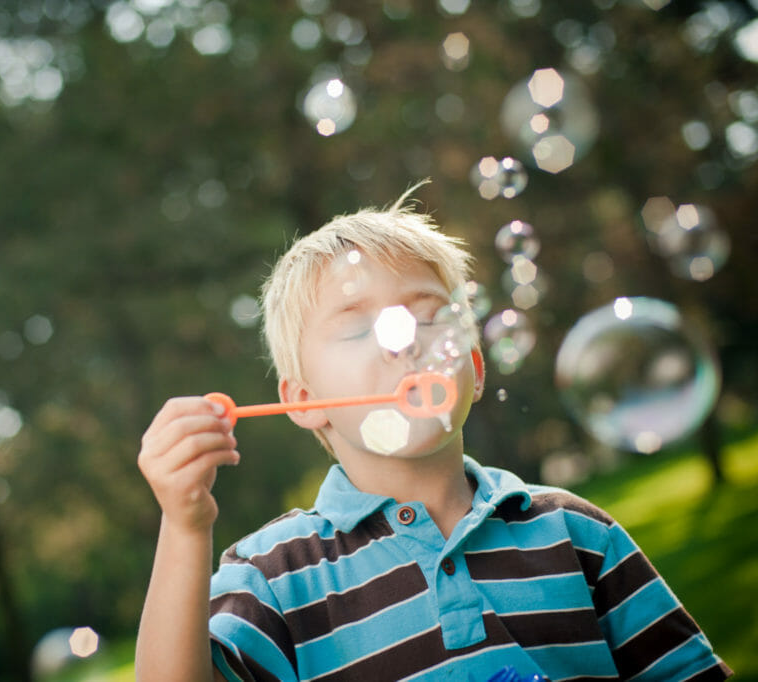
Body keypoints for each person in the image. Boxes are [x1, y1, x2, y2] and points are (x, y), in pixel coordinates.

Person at [135, 186, 732, 681]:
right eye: (356, 330)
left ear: (472, 370)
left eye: (426, 316)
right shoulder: (274, 578)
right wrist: (185, 526)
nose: (402, 339)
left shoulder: (575, 533)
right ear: (306, 402)